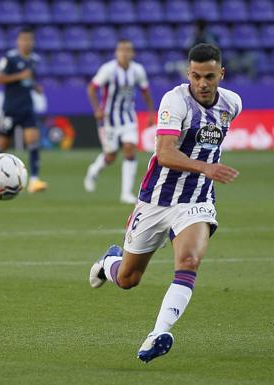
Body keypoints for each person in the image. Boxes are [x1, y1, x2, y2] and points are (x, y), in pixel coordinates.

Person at [88, 44, 241, 363]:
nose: (202, 83)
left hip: (196, 200)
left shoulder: (232, 104)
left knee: (188, 261)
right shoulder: (175, 100)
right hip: (156, 200)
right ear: (189, 74)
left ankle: (158, 332)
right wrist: (206, 167)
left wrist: (205, 172)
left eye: (209, 76)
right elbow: (165, 153)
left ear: (220, 75)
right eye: (196, 76)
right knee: (128, 279)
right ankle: (108, 261)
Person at [84, 39, 156, 204]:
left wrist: (152, 113)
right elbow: (92, 88)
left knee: (130, 150)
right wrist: (97, 109)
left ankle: (126, 193)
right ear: (116, 52)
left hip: (129, 117)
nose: (124, 53)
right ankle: (93, 170)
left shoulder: (138, 70)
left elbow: (145, 92)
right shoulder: (108, 70)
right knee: (110, 156)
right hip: (109, 119)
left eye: (127, 50)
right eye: (121, 50)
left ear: (132, 53)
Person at [0, 27, 48, 193]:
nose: (27, 43)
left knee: (33, 141)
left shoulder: (34, 60)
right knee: (2, 145)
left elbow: (30, 79)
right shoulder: (9, 58)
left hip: (27, 107)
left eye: (30, 39)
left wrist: (36, 87)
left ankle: (34, 180)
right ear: (18, 41)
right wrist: (20, 76)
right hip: (10, 108)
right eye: (24, 39)